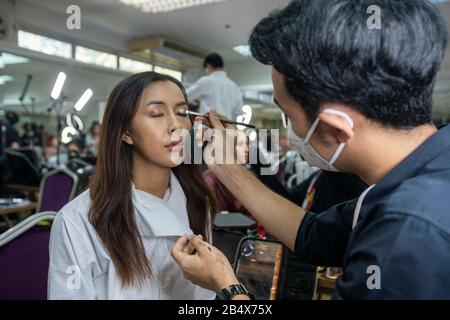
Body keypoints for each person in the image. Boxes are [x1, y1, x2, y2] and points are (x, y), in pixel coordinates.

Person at [172, 0, 450, 299]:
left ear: (335, 127)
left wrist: (228, 286)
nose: (290, 130)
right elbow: (314, 236)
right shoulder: (422, 171)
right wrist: (228, 170)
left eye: (288, 116)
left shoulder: (405, 238)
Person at [48, 72, 217, 299]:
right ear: (126, 132)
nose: (176, 125)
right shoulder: (78, 220)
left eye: (181, 112)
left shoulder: (197, 203)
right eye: (156, 114)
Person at [186, 53, 244, 120]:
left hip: (208, 125)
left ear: (208, 65)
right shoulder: (234, 86)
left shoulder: (206, 81)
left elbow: (185, 96)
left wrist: (194, 102)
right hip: (227, 127)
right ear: (222, 66)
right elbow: (238, 111)